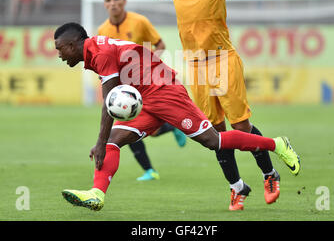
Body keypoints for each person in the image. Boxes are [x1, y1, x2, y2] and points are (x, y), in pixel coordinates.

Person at [132, 0, 313, 210]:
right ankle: (237, 187)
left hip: (222, 60)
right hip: (195, 66)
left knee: (240, 126)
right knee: (214, 134)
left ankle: (269, 173)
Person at [55, 22, 300, 211]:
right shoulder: (95, 51)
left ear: (74, 43)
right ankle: (97, 194)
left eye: (60, 49)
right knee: (112, 141)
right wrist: (102, 141)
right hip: (144, 99)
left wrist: (98, 142)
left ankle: (277, 144)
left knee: (213, 141)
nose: (60, 55)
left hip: (163, 91)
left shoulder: (101, 53)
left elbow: (108, 104)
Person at [98, 0, 187, 181]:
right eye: (109, 0)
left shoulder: (139, 22)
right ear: (105, 5)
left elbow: (160, 45)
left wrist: (147, 66)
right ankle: (150, 168)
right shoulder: (102, 30)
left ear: (124, 2)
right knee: (126, 124)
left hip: (146, 82)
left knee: (139, 126)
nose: (113, 3)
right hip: (124, 87)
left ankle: (175, 128)